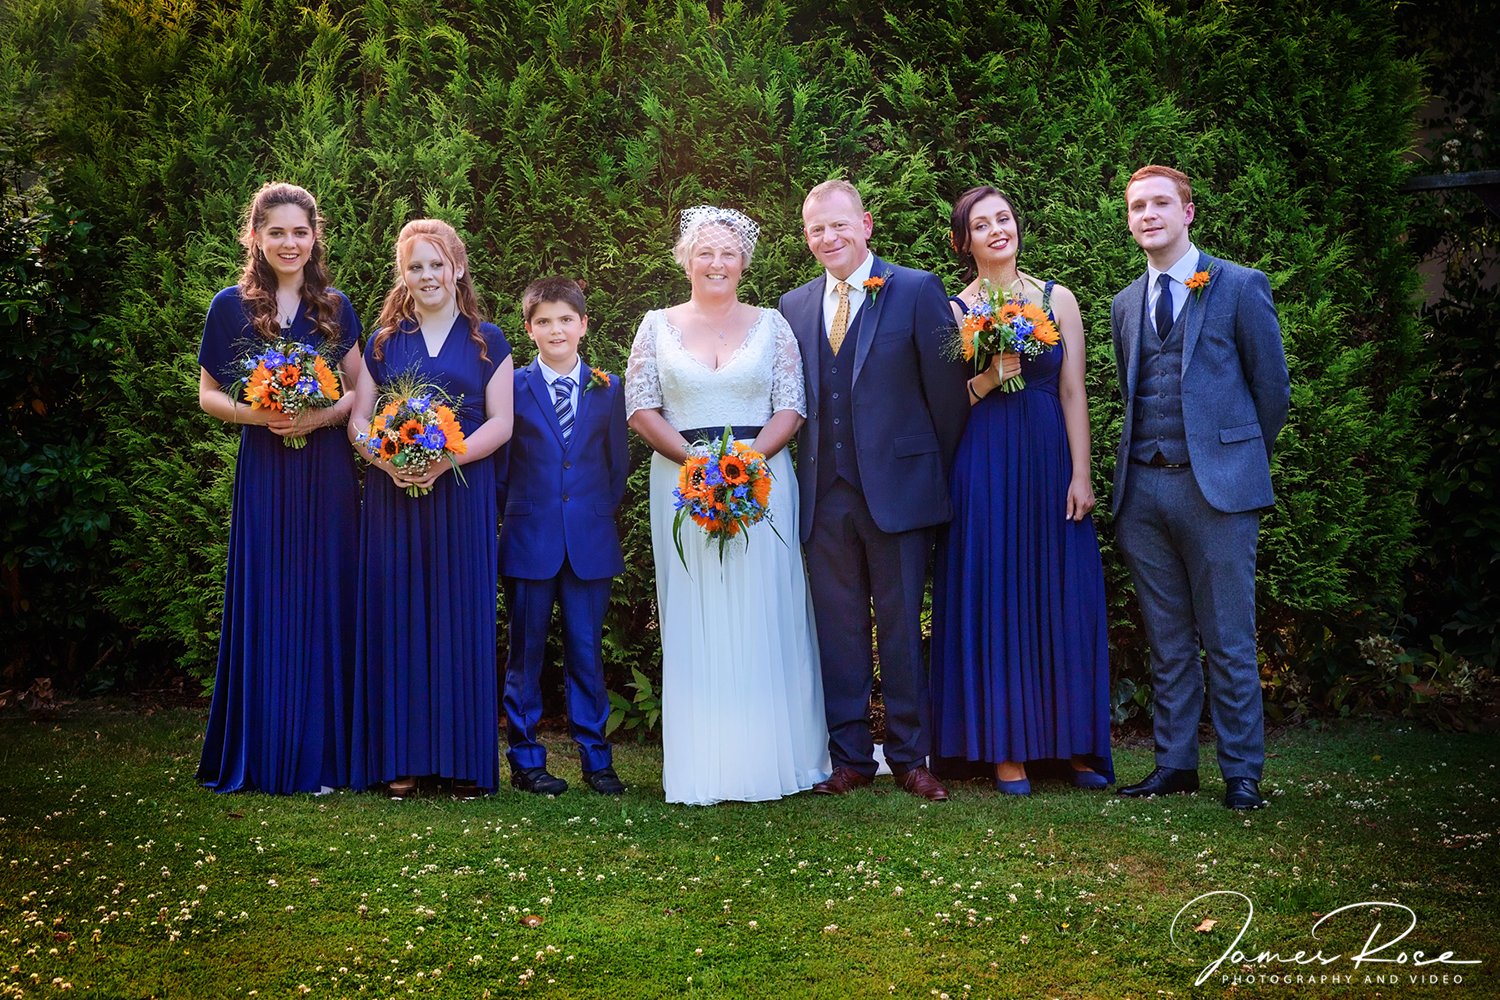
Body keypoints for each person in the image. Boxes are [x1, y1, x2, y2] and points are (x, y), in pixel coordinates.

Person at [625, 205, 830, 805]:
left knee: (768, 607)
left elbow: (791, 407)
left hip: (762, 481)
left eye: (728, 252)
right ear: (686, 259)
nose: (717, 262)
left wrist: (747, 466)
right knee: (698, 610)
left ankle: (774, 755)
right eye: (705, 252)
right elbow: (641, 407)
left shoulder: (773, 324)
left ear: (744, 261)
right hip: (681, 482)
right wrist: (700, 467)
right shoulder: (655, 325)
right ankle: (705, 761)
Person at [777, 180, 971, 802]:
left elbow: (947, 399)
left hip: (899, 491)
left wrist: (921, 470)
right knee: (837, 629)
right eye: (815, 230)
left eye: (838, 226)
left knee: (898, 627)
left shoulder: (915, 289)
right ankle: (851, 755)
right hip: (823, 493)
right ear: (806, 237)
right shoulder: (795, 304)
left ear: (864, 223)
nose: (828, 239)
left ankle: (912, 757)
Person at [1109, 165, 1289, 811]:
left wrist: (1232, 462)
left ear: (1188, 212)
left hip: (1218, 495)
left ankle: (1242, 773)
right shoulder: (1124, 304)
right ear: (1129, 220)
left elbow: (1272, 391)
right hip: (1143, 495)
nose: (1148, 215)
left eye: (1161, 203)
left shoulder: (1240, 286)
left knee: (1230, 639)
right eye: (1137, 207)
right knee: (1167, 640)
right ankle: (1175, 765)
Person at [929, 186, 1113, 796]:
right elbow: (941, 408)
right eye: (981, 225)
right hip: (983, 461)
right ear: (965, 242)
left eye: (1003, 218)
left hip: (1047, 458)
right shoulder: (954, 308)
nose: (996, 230)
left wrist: (1081, 473)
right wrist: (986, 377)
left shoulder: (1059, 298)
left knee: (1061, 590)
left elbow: (1072, 392)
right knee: (998, 590)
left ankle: (1075, 745)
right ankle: (1006, 747)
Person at [196, 181, 363, 795]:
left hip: (325, 471)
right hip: (265, 464)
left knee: (324, 593)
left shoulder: (336, 307)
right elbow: (210, 394)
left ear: (315, 236)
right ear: (256, 237)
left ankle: (326, 756)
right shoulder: (228, 306)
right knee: (268, 594)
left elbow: (355, 391)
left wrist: (319, 417)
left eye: (300, 231)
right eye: (277, 232)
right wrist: (256, 415)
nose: (289, 243)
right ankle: (263, 750)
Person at [349, 219, 514, 797]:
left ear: (458, 269)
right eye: (415, 266)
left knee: (458, 616)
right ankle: (400, 759)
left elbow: (502, 421)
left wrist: (449, 459)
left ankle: (463, 762)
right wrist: (386, 459)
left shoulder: (488, 339)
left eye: (436, 264)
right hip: (393, 499)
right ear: (404, 274)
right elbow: (359, 418)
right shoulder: (383, 341)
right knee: (397, 615)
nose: (426, 276)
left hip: (462, 493)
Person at [498, 276, 628, 797]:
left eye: (565, 320)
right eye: (544, 321)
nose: (556, 329)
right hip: (530, 539)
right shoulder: (511, 387)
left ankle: (597, 760)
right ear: (529, 329)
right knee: (524, 655)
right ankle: (526, 760)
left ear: (583, 325)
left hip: (589, 541)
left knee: (586, 652)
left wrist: (592, 515)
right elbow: (502, 469)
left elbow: (616, 467)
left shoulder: (608, 388)